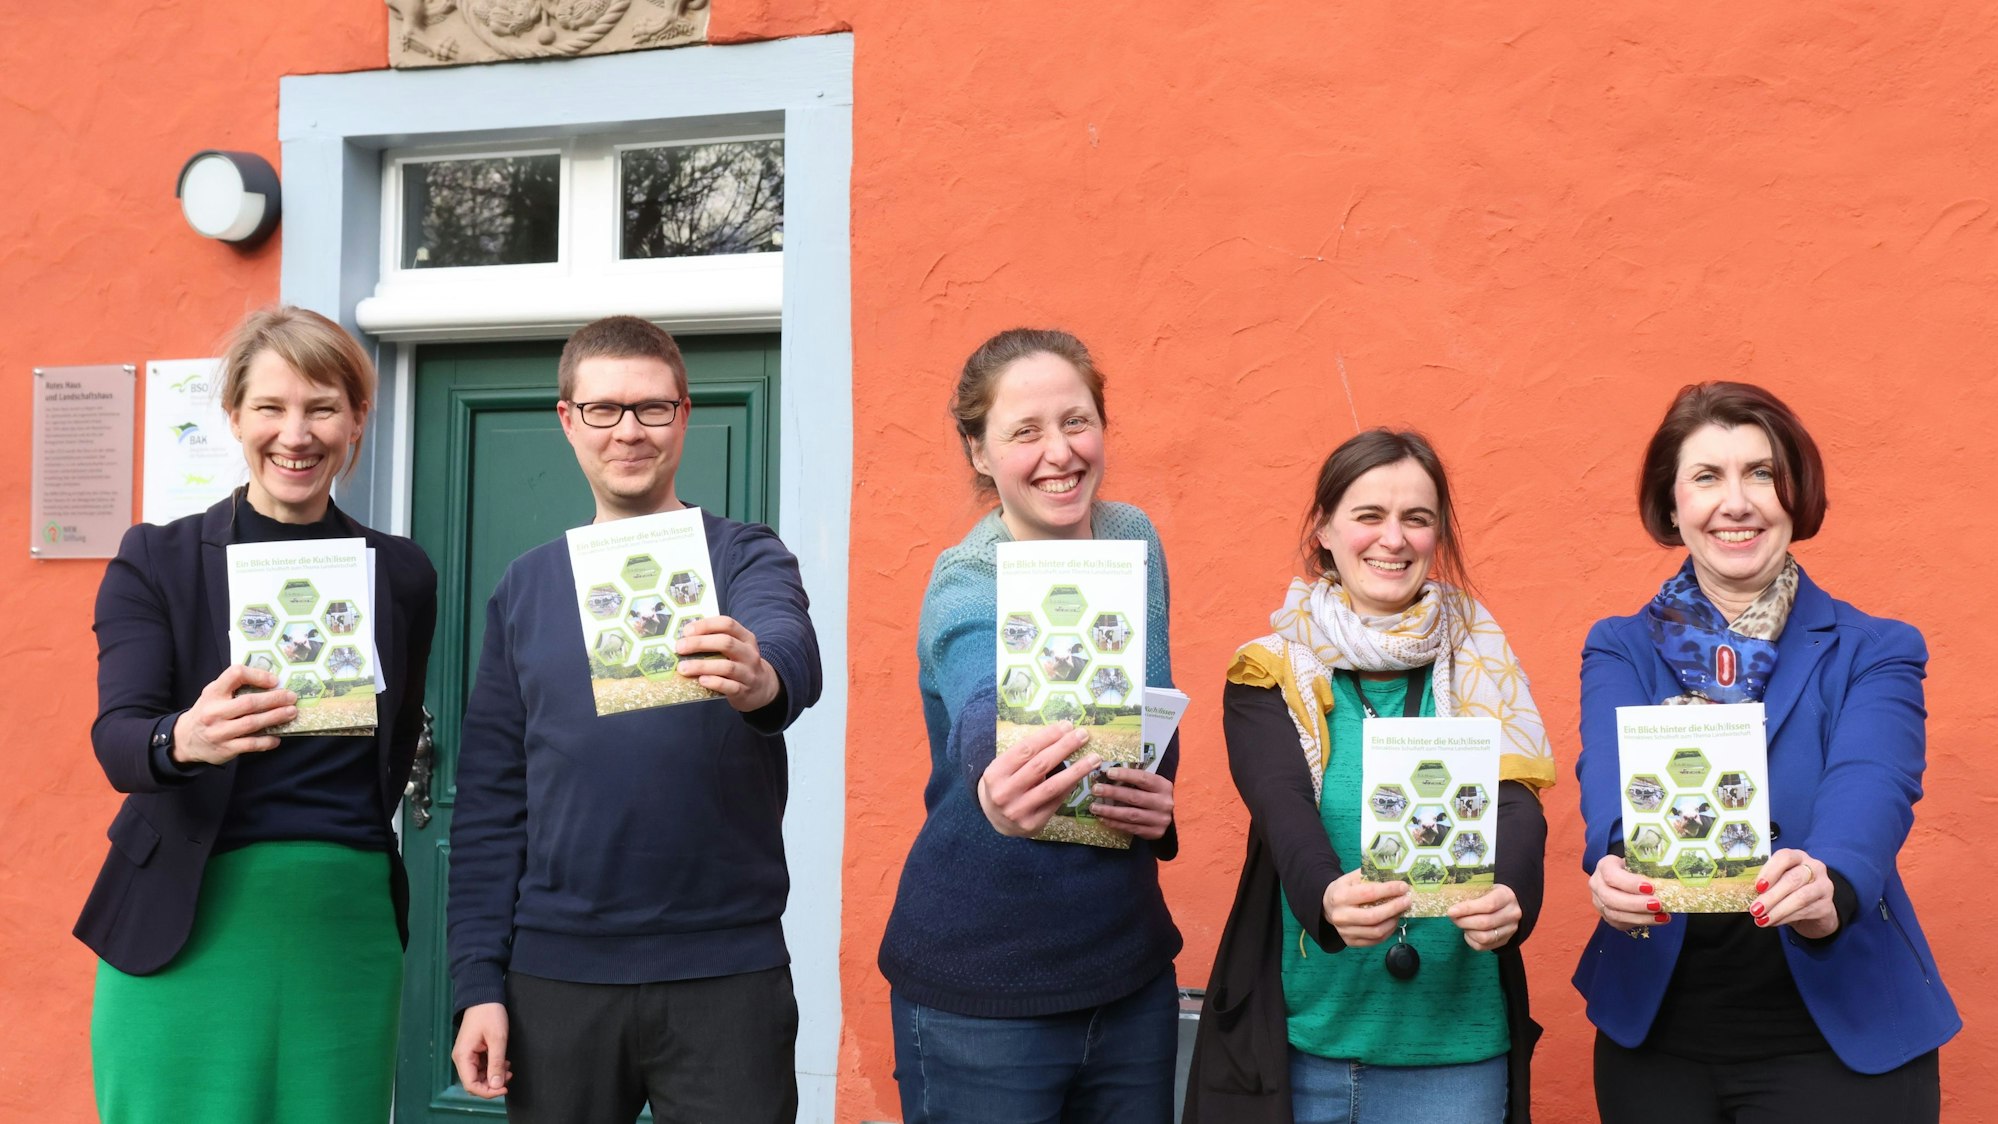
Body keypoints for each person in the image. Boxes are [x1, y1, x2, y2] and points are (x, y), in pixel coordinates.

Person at [446, 315, 822, 1124]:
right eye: (605, 409)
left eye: (652, 409)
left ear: (683, 416)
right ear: (567, 420)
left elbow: (789, 646)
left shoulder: (745, 557)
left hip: (727, 972)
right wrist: (478, 983)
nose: (629, 431)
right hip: (557, 978)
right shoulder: (524, 587)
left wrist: (759, 677)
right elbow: (489, 803)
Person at [78, 306, 438, 1124]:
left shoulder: (402, 573)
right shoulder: (155, 559)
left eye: (321, 408)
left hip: (340, 922)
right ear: (234, 415)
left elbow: (393, 745)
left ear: (357, 421)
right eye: (271, 408)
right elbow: (119, 739)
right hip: (185, 916)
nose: (296, 435)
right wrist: (186, 737)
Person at [1575, 382, 1959, 1122]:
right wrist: (1614, 863)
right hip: (1657, 1049)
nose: (1737, 502)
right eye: (1707, 477)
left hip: (1840, 1043)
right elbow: (1611, 789)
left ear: (1795, 493)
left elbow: (1873, 785)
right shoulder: (1618, 647)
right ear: (1673, 502)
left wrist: (1830, 885)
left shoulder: (1876, 649)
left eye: (1760, 473)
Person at [1185, 429, 1556, 1124]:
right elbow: (1281, 805)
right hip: (1304, 1046)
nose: (1394, 539)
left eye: (1416, 519)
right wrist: (1327, 894)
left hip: (1455, 1057)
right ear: (1324, 528)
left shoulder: (1479, 658)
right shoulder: (1269, 670)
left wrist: (1513, 894)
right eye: (1368, 516)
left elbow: (1517, 806)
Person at [878, 328, 1182, 1123]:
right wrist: (998, 785)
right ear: (979, 453)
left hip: (1129, 974)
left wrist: (1156, 807)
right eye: (1025, 431)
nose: (1060, 452)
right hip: (981, 995)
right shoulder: (969, 582)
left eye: (1076, 422)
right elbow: (986, 712)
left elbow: (1143, 720)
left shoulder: (1133, 540)